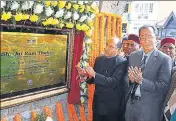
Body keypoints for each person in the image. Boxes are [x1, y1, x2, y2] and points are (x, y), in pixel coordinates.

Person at [125, 25, 172, 121]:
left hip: (149, 109)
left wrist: (141, 81)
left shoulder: (164, 59)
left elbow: (163, 87)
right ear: (139, 39)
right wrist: (130, 80)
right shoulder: (134, 56)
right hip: (131, 106)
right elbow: (126, 78)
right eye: (142, 36)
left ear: (156, 37)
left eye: (149, 36)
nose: (146, 39)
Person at [77, 37, 128, 121]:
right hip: (98, 104)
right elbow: (93, 79)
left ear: (118, 49)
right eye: (107, 45)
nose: (106, 48)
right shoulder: (99, 59)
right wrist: (85, 75)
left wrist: (94, 74)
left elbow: (113, 82)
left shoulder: (122, 62)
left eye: (111, 46)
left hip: (112, 106)